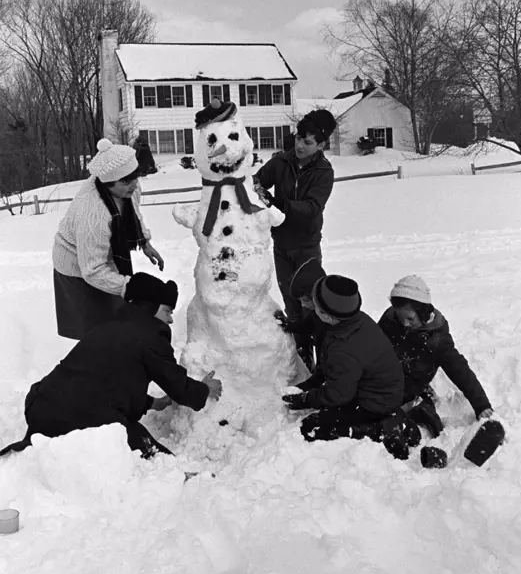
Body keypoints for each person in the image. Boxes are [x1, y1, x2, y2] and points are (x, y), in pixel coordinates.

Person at [0, 273, 223, 460]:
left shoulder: (106, 328)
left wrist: (152, 403)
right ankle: (172, 474)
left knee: (98, 412)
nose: (171, 320)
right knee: (136, 442)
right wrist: (204, 390)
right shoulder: (150, 335)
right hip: (77, 417)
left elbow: (100, 382)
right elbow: (176, 383)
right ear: (150, 308)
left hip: (42, 408)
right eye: (167, 311)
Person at [281, 274, 420, 460]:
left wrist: (305, 400)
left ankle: (378, 430)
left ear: (327, 316)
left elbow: (338, 394)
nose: (311, 306)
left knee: (310, 427)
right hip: (379, 391)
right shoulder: (353, 321)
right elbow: (329, 368)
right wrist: (305, 387)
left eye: (315, 303)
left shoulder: (344, 348)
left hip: (373, 403)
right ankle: (392, 418)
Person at [52, 137, 164, 340]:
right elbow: (92, 270)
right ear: (107, 183)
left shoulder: (128, 187)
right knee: (95, 328)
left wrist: (144, 242)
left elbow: (134, 212)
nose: (133, 185)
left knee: (116, 317)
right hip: (75, 265)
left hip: (103, 254)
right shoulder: (93, 213)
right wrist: (128, 287)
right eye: (125, 182)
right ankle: (93, 365)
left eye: (135, 178)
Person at [253, 109, 337, 346]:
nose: (299, 145)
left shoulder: (323, 172)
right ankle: (301, 351)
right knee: (291, 301)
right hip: (281, 244)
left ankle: (319, 352)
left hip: (307, 247)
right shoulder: (282, 161)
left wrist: (279, 204)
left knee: (311, 304)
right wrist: (262, 197)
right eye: (298, 138)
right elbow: (257, 182)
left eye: (307, 141)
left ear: (321, 145)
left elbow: (312, 208)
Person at [377, 275, 493, 439]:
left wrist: (481, 405)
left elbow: (459, 370)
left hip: (411, 386)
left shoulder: (436, 339)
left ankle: (423, 410)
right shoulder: (390, 319)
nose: (405, 324)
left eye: (410, 318)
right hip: (385, 379)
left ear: (423, 313)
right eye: (400, 317)